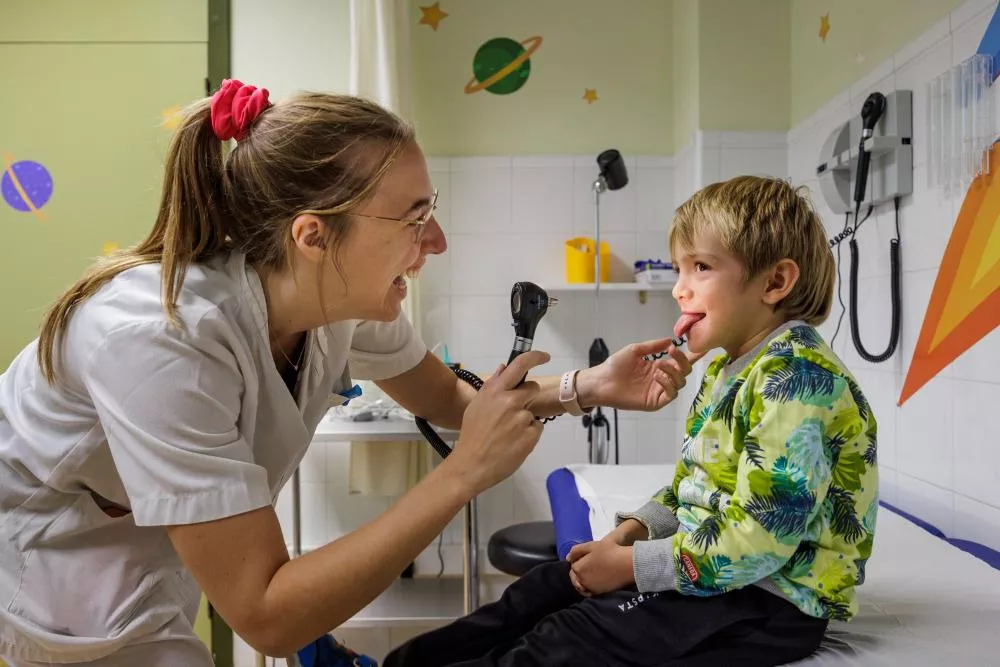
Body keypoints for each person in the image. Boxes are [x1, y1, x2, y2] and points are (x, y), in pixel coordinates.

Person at [0, 80, 699, 666]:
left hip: (148, 548)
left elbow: (448, 397)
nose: (438, 241)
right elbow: (267, 617)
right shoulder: (161, 341)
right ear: (312, 235)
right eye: (414, 216)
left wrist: (584, 389)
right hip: (43, 561)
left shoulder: (340, 299)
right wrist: (462, 475)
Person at [384, 175, 879, 667]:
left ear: (774, 282)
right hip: (717, 571)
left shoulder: (797, 379)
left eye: (701, 267)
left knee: (568, 639)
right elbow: (694, 486)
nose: (680, 290)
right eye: (678, 270)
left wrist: (634, 566)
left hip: (768, 600)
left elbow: (759, 541)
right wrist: (632, 532)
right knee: (542, 590)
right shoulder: (731, 370)